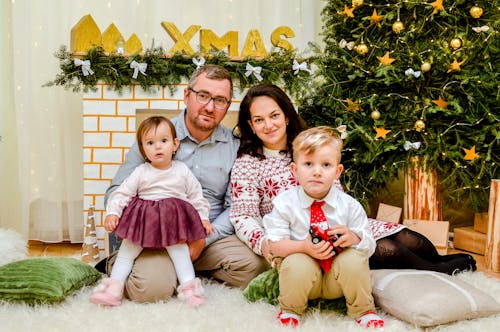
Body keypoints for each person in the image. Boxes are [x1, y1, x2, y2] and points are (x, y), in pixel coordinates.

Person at [230, 84, 476, 276]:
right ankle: (436, 272)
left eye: (274, 115)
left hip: (336, 222)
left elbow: (336, 190)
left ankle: (439, 261)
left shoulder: (308, 145)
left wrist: (351, 227)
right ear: (251, 125)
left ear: (286, 116)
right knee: (390, 250)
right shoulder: (248, 163)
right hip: (298, 235)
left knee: (411, 239)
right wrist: (265, 244)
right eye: (259, 120)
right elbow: (243, 215)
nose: (268, 125)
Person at [100, 64, 268, 303]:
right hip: (158, 235)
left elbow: (235, 205)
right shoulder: (156, 135)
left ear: (227, 107)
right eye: (203, 96)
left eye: (220, 100)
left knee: (255, 266)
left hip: (208, 235)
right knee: (150, 290)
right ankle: (151, 268)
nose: (210, 107)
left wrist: (202, 240)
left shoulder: (234, 145)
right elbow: (117, 190)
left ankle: (183, 272)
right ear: (187, 95)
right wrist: (138, 221)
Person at [263, 126, 384, 328]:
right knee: (295, 262)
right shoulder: (284, 203)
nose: (317, 172)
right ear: (295, 170)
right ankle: (291, 309)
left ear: (337, 172)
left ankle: (363, 310)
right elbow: (274, 245)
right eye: (308, 164)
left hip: (337, 280)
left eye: (326, 165)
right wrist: (303, 247)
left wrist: (355, 237)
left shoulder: (349, 205)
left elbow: (370, 246)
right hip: (303, 281)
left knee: (354, 259)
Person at [90, 116, 212, 307]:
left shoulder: (182, 171)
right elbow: (123, 193)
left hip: (173, 222)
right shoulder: (141, 171)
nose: (157, 147)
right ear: (143, 149)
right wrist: (112, 213)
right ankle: (113, 288)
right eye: (150, 143)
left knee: (180, 252)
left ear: (175, 144)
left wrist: (203, 219)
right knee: (127, 251)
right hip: (144, 220)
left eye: (163, 141)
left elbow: (196, 196)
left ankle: (190, 289)